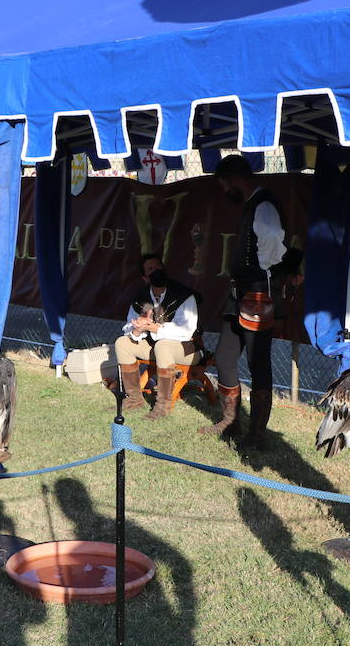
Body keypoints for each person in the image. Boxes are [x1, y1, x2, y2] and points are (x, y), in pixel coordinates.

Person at [201, 154, 300, 451]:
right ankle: (231, 421)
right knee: (226, 355)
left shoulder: (263, 204)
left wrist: (271, 269)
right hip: (240, 295)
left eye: (223, 183)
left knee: (259, 364)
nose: (223, 190)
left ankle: (257, 436)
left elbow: (272, 238)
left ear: (233, 179)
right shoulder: (253, 204)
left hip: (257, 295)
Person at [114, 253, 200, 420]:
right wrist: (138, 329)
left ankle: (163, 406)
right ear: (145, 278)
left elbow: (186, 330)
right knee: (122, 343)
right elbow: (128, 326)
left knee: (163, 345)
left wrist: (154, 327)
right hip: (155, 347)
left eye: (158, 267)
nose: (156, 271)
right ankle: (133, 399)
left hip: (187, 349)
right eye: (151, 269)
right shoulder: (141, 297)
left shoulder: (184, 295)